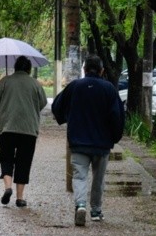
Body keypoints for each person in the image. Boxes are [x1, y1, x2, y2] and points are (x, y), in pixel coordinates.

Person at [52, 56, 125, 226]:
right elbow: (118, 116)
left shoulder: (75, 87)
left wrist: (65, 117)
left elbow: (57, 105)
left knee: (79, 176)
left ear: (84, 69)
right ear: (102, 71)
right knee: (98, 178)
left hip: (78, 141)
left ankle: (80, 205)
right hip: (102, 143)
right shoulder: (109, 89)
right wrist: (115, 137)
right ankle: (96, 211)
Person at [0, 56, 48, 208]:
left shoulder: (5, 81)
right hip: (28, 129)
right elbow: (42, 103)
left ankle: (8, 187)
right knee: (24, 161)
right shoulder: (35, 84)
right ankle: (20, 197)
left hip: (7, 127)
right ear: (29, 69)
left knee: (6, 157)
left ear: (15, 67)